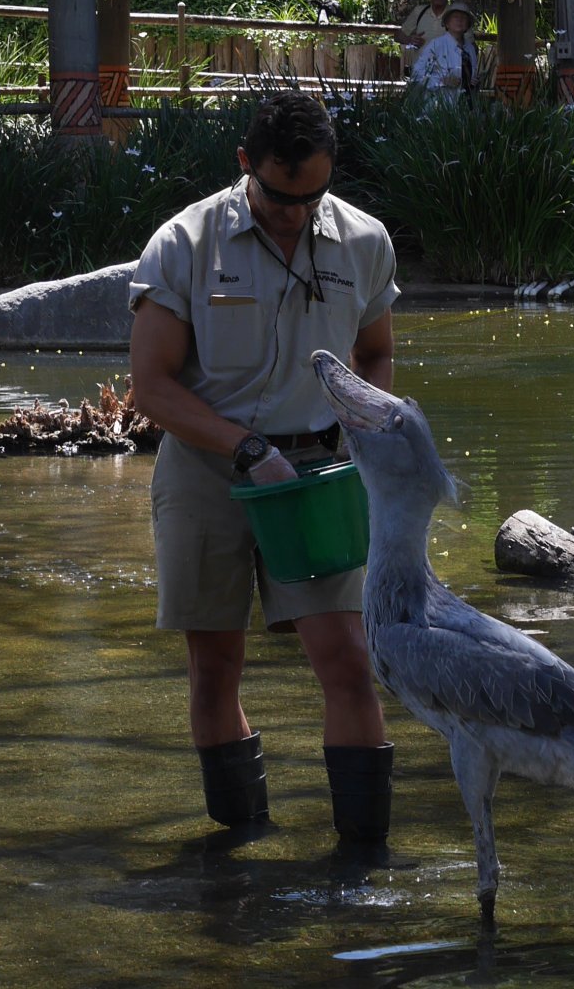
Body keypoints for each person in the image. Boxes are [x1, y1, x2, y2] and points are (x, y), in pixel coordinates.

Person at [128, 91, 399, 843]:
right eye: (281, 198)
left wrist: (366, 427)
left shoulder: (363, 241)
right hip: (208, 471)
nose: (296, 213)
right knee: (214, 665)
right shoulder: (184, 243)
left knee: (346, 660)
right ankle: (241, 850)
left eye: (312, 195)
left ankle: (361, 865)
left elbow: (373, 352)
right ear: (246, 166)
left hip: (317, 475)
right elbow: (151, 389)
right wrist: (248, 450)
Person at [410, 2, 479, 104]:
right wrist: (441, 81)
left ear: (468, 25)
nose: (459, 20)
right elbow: (416, 74)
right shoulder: (436, 45)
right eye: (455, 17)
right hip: (438, 108)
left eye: (463, 17)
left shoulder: (470, 49)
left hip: (466, 108)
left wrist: (474, 81)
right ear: (447, 23)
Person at [399, 0, 472, 64]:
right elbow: (398, 35)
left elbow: (472, 47)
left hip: (449, 75)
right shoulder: (419, 12)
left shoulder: (457, 14)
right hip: (421, 74)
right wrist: (409, 40)